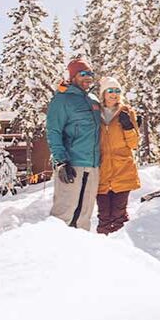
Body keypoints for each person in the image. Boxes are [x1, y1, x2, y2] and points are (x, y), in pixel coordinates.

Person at [46, 58, 102, 229]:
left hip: (92, 166)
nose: (88, 78)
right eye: (83, 74)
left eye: (90, 74)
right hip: (72, 165)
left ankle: (80, 253)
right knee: (64, 214)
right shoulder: (62, 100)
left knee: (84, 217)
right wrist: (61, 162)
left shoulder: (93, 100)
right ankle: (52, 252)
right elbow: (53, 131)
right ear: (72, 76)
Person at [95, 77, 140, 235]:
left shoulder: (127, 112)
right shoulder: (95, 113)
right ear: (103, 93)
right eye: (110, 90)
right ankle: (103, 248)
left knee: (119, 215)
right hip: (102, 170)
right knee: (104, 216)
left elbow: (134, 143)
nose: (114, 94)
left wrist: (128, 126)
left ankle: (122, 250)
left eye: (117, 91)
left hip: (123, 168)